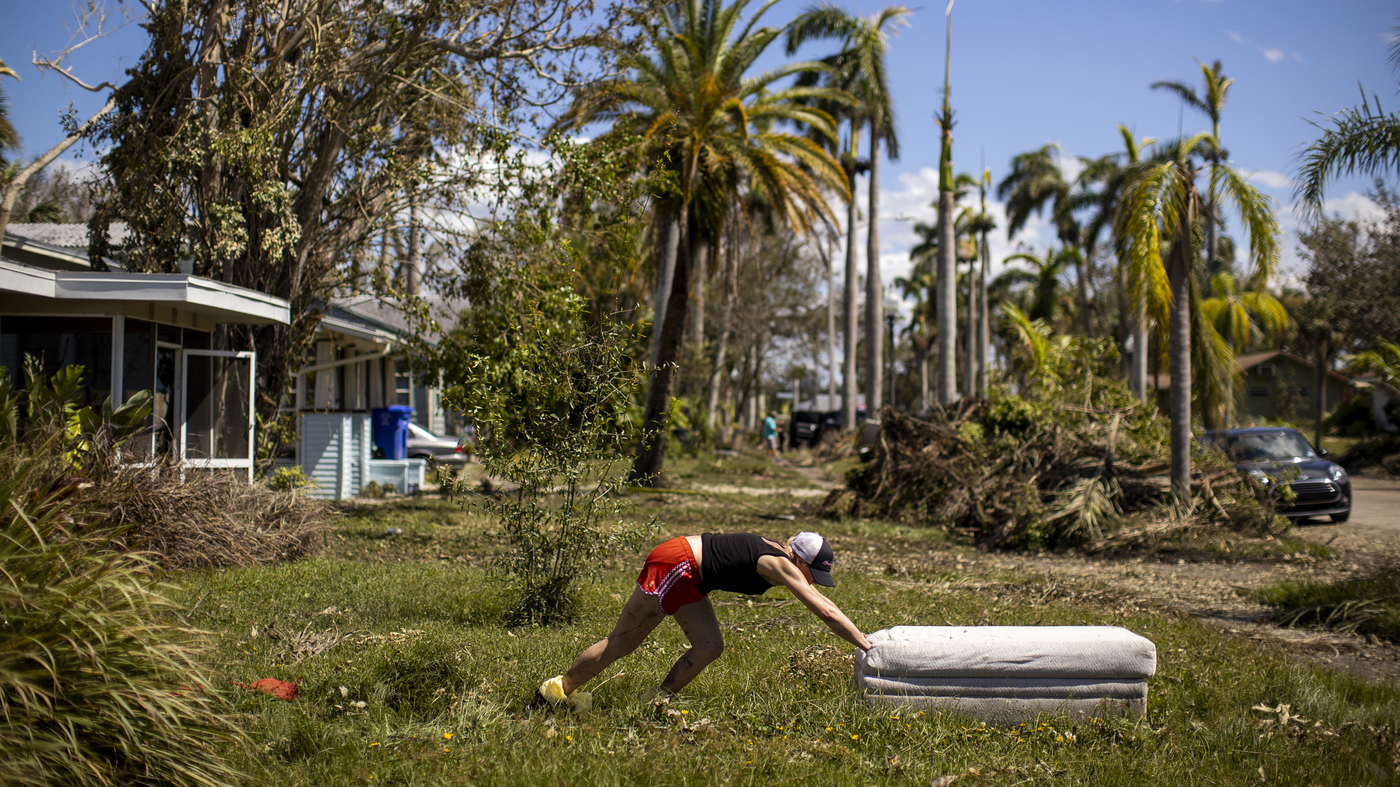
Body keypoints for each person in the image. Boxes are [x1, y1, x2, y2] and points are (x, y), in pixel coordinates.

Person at [537, 531, 870, 710]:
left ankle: (655, 700)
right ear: (798, 558)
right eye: (810, 574)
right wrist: (868, 646)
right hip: (676, 564)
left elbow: (825, 601)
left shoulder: (785, 558)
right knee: (623, 641)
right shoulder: (781, 563)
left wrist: (865, 638)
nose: (810, 582)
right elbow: (824, 611)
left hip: (693, 577)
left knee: (710, 645)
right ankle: (553, 694)